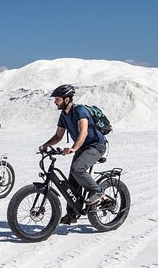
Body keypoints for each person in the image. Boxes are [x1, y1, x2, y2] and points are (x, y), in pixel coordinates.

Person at [39, 84, 107, 225]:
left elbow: (84, 132)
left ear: (67, 99)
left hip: (96, 145)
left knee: (78, 169)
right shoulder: (63, 115)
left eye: (57, 99)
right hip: (82, 147)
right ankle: (72, 214)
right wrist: (46, 145)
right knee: (72, 182)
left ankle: (97, 191)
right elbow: (58, 136)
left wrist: (73, 148)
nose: (55, 102)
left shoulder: (80, 111)